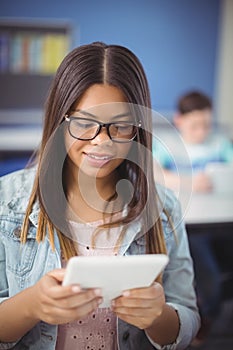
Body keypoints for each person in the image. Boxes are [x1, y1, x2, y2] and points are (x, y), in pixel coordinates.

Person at [0, 42, 200, 350]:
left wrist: (158, 316)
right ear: (59, 120)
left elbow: (188, 318)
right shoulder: (6, 202)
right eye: (84, 124)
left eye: (120, 126)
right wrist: (30, 305)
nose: (102, 141)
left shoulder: (165, 208)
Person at [153, 90, 233, 344]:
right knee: (205, 267)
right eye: (195, 125)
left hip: (221, 217)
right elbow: (152, 172)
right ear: (180, 120)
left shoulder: (219, 143)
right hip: (190, 222)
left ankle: (216, 311)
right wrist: (189, 182)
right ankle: (206, 316)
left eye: (207, 124)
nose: (202, 131)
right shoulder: (169, 145)